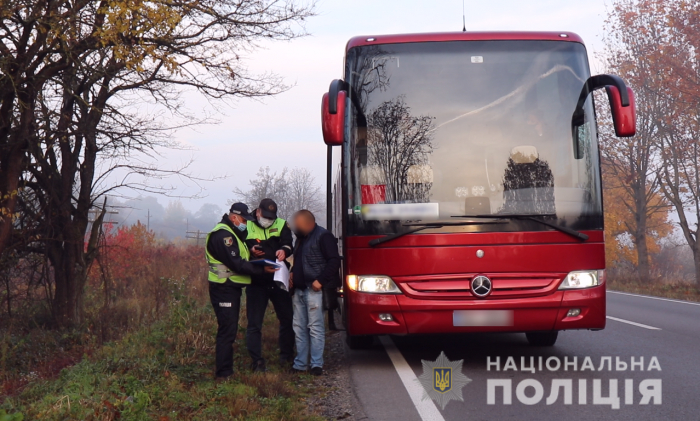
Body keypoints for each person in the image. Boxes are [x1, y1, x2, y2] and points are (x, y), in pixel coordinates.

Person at [205, 203, 276, 379]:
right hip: (223, 288)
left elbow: (239, 255)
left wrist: (251, 251)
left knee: (230, 328)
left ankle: (226, 370)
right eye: (244, 219)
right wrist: (261, 270)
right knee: (227, 330)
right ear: (234, 217)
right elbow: (236, 263)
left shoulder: (232, 233)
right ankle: (223, 373)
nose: (245, 223)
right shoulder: (223, 235)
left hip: (230, 287)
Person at [244, 198, 295, 372]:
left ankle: (286, 355)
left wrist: (285, 250)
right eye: (265, 216)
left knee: (287, 318)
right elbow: (239, 246)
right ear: (258, 212)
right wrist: (250, 251)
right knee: (254, 323)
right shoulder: (247, 224)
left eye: (271, 218)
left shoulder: (281, 224)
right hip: (256, 280)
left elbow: (289, 243)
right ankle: (256, 361)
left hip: (278, 278)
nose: (268, 220)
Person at [291, 209, 341, 376]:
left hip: (314, 289)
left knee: (315, 327)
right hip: (299, 289)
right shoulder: (300, 239)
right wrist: (292, 274)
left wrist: (321, 280)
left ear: (309, 223)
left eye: (298, 224)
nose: (296, 227)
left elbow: (334, 261)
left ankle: (316, 364)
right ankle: (300, 364)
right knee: (299, 327)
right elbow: (299, 261)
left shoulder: (323, 236)